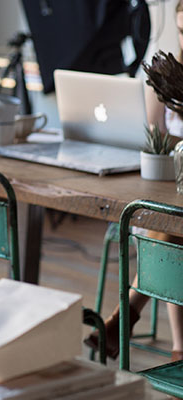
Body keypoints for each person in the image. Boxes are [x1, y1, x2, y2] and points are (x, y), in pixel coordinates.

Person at [84, 0, 183, 362]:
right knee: (167, 224)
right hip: (168, 188)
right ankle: (176, 348)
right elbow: (152, 134)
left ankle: (125, 318)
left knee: (170, 228)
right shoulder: (172, 72)